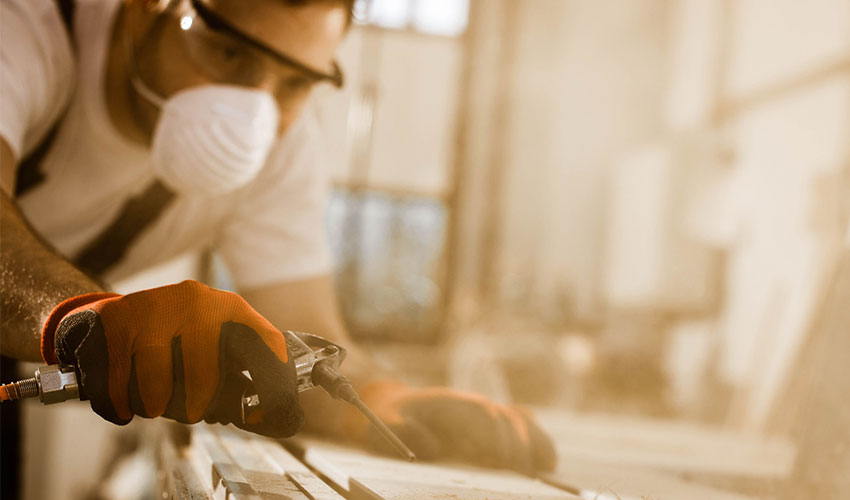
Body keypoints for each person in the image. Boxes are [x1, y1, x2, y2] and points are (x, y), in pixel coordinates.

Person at [0, 0, 555, 472]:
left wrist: (377, 398)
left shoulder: (281, 149)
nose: (250, 111)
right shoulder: (30, 26)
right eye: (227, 52)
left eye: (294, 82)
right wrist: (80, 316)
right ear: (150, 9)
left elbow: (300, 336)